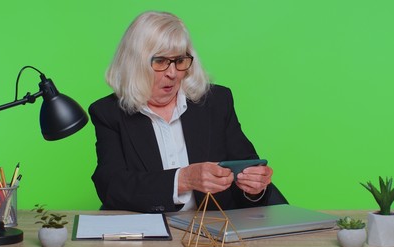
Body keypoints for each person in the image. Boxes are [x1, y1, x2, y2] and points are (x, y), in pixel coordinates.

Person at [89, 11, 288, 213]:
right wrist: (182, 179)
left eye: (180, 61)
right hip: (149, 233)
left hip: (211, 233)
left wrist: (254, 187)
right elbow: (111, 186)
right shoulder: (108, 113)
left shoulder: (217, 102)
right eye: (160, 61)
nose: (172, 73)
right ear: (134, 63)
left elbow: (246, 167)